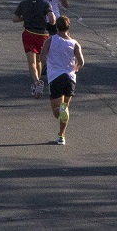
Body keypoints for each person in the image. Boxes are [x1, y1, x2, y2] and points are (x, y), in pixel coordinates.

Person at [42, 16, 84, 145]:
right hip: (70, 78)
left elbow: (42, 57)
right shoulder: (75, 43)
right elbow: (81, 61)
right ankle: (61, 136)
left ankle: (59, 111)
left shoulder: (50, 40)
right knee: (65, 106)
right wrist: (75, 68)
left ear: (57, 27)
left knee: (56, 111)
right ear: (68, 27)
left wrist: (48, 65)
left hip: (55, 77)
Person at [11, 0, 53, 97]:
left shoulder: (24, 3)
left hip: (29, 33)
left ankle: (36, 82)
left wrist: (24, 18)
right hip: (42, 35)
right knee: (39, 61)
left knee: (32, 63)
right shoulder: (45, 4)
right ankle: (38, 83)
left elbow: (14, 18)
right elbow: (52, 19)